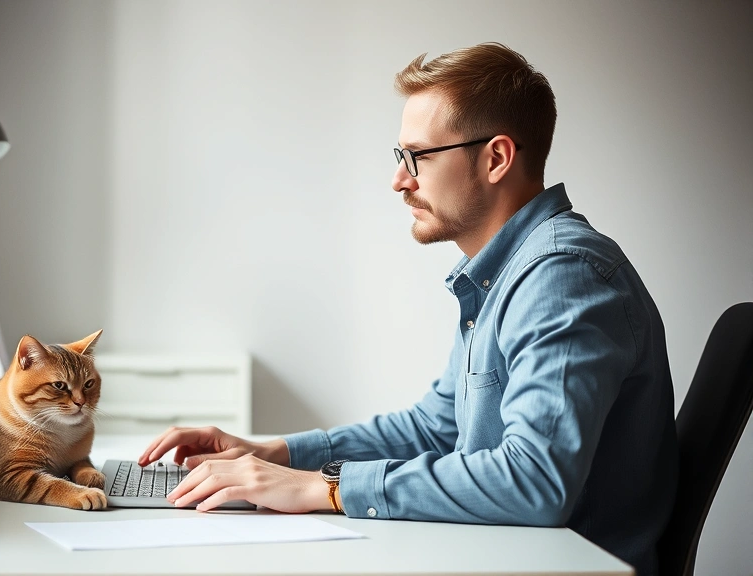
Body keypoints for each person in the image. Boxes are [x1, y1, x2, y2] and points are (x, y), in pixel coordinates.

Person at [138, 42, 678, 576]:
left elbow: (536, 480)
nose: (399, 179)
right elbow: (435, 428)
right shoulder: (503, 275)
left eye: (417, 156)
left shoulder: (561, 275)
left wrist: (325, 489)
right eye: (401, 157)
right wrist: (276, 453)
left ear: (496, 158)